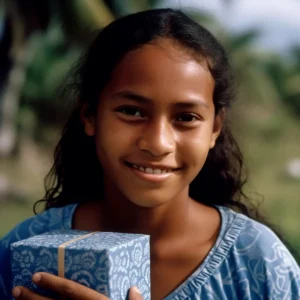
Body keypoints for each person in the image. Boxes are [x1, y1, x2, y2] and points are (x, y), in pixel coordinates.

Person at [0, 8, 299, 300]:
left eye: (186, 117)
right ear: (91, 116)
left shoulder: (258, 263)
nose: (158, 143)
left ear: (214, 129)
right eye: (132, 111)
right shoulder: (22, 251)